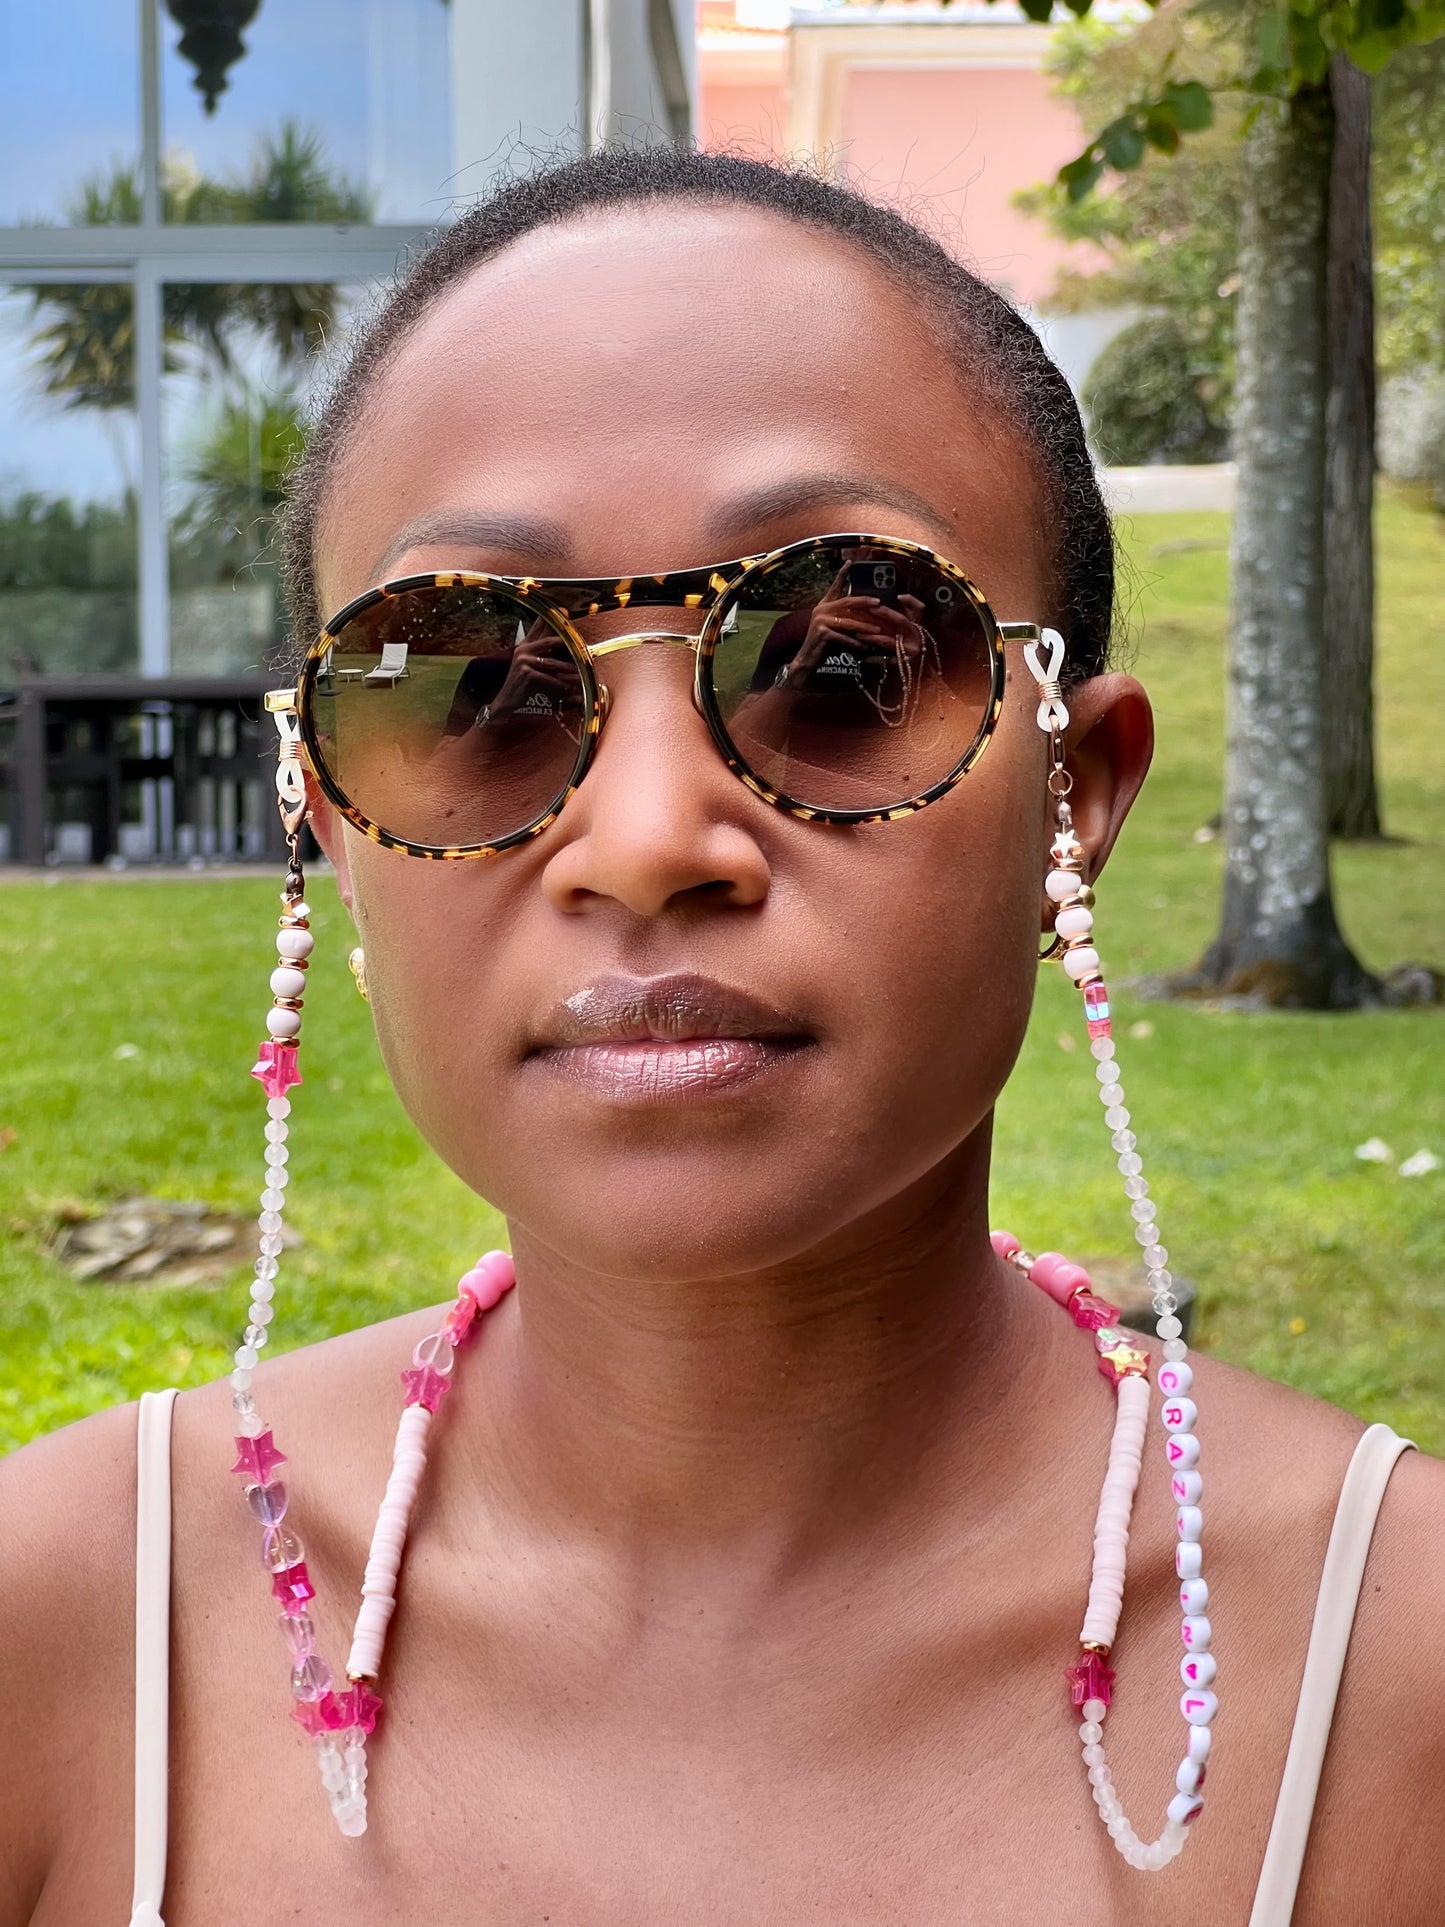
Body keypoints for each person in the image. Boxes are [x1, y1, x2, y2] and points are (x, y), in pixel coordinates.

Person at [1, 148, 1440, 1926]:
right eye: (477, 687)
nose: (648, 838)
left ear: (1075, 791)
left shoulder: (1400, 1676)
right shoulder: (62, 1631)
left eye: (839, 667)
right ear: (328, 824)